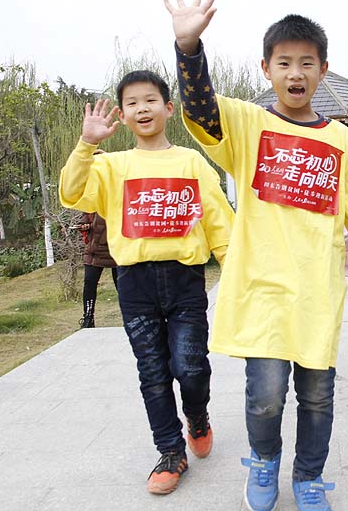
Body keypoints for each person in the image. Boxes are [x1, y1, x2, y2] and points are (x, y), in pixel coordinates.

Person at [165, 0, 348, 511]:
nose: (296, 73)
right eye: (285, 62)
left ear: (323, 69)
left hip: (317, 291)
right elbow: (201, 111)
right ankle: (264, 463)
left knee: (318, 395)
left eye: (307, 63)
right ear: (267, 68)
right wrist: (188, 49)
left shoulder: (340, 138)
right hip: (263, 288)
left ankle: (310, 477)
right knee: (266, 394)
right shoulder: (250, 125)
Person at [59, 70, 234, 495]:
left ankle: (197, 416)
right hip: (134, 284)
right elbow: (70, 192)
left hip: (185, 281)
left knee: (190, 367)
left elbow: (219, 222)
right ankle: (171, 452)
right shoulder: (111, 166)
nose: (142, 108)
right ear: (123, 113)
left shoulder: (191, 162)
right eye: (133, 102)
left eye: (150, 100)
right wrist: (87, 144)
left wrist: (234, 273)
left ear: (168, 108)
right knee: (153, 373)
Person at [78, 151, 117, 329]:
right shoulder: (89, 191)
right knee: (89, 284)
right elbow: (84, 216)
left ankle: (132, 317)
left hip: (117, 248)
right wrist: (83, 225)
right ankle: (88, 318)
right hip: (94, 248)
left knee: (124, 287)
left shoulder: (118, 188)